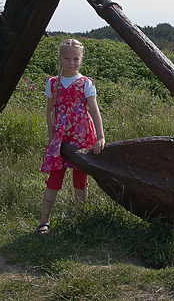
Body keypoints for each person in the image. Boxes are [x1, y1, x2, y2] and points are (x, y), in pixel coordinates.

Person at [36, 38, 106, 235]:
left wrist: (100, 137)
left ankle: (80, 219)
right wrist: (51, 136)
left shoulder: (86, 83)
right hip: (60, 138)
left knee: (79, 178)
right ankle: (44, 221)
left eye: (76, 59)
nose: (71, 63)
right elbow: (49, 112)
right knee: (54, 177)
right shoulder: (53, 83)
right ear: (60, 59)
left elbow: (94, 110)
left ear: (81, 59)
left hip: (82, 136)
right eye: (67, 58)